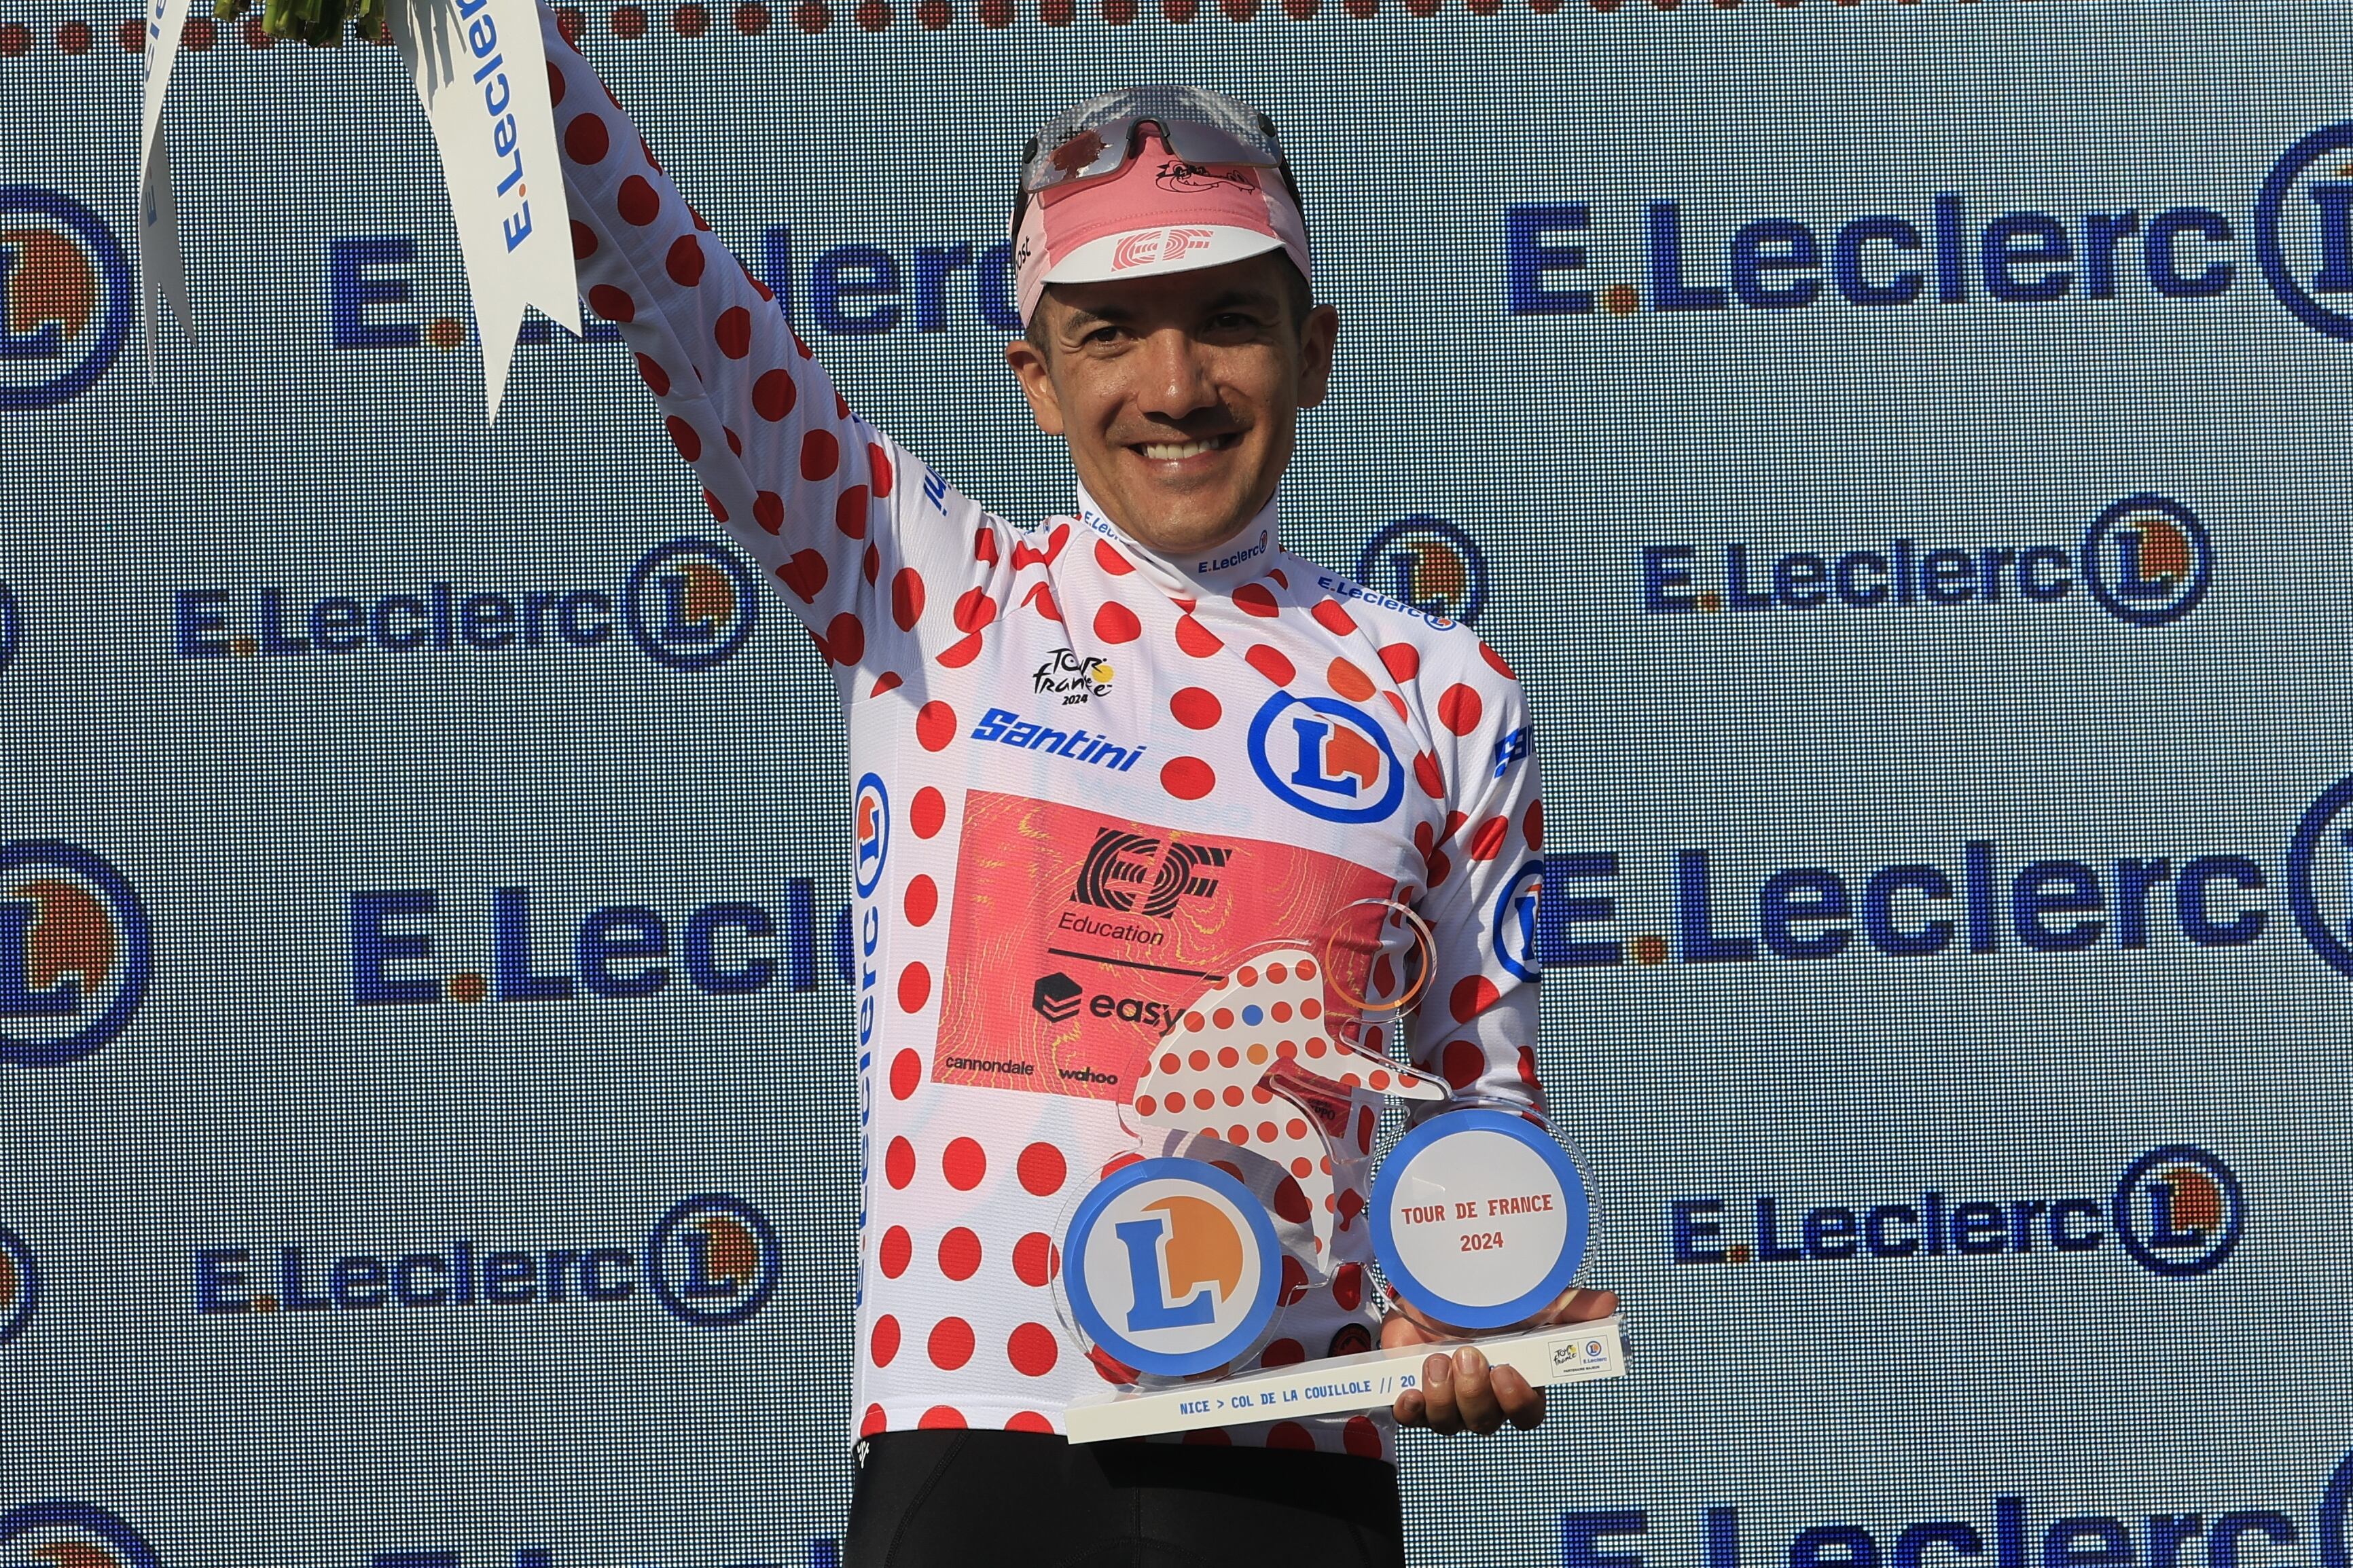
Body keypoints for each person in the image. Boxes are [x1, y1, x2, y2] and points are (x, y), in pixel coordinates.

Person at [537, 16, 1616, 1563]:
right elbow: (672, 290)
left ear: (1313, 350)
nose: (1174, 386)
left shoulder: (1443, 688)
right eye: (1111, 332)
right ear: (1035, 380)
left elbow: (1477, 1105)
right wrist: (491, 36)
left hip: (1288, 1460)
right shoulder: (933, 592)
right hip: (974, 1447)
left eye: (1227, 322)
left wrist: (1489, 1313)